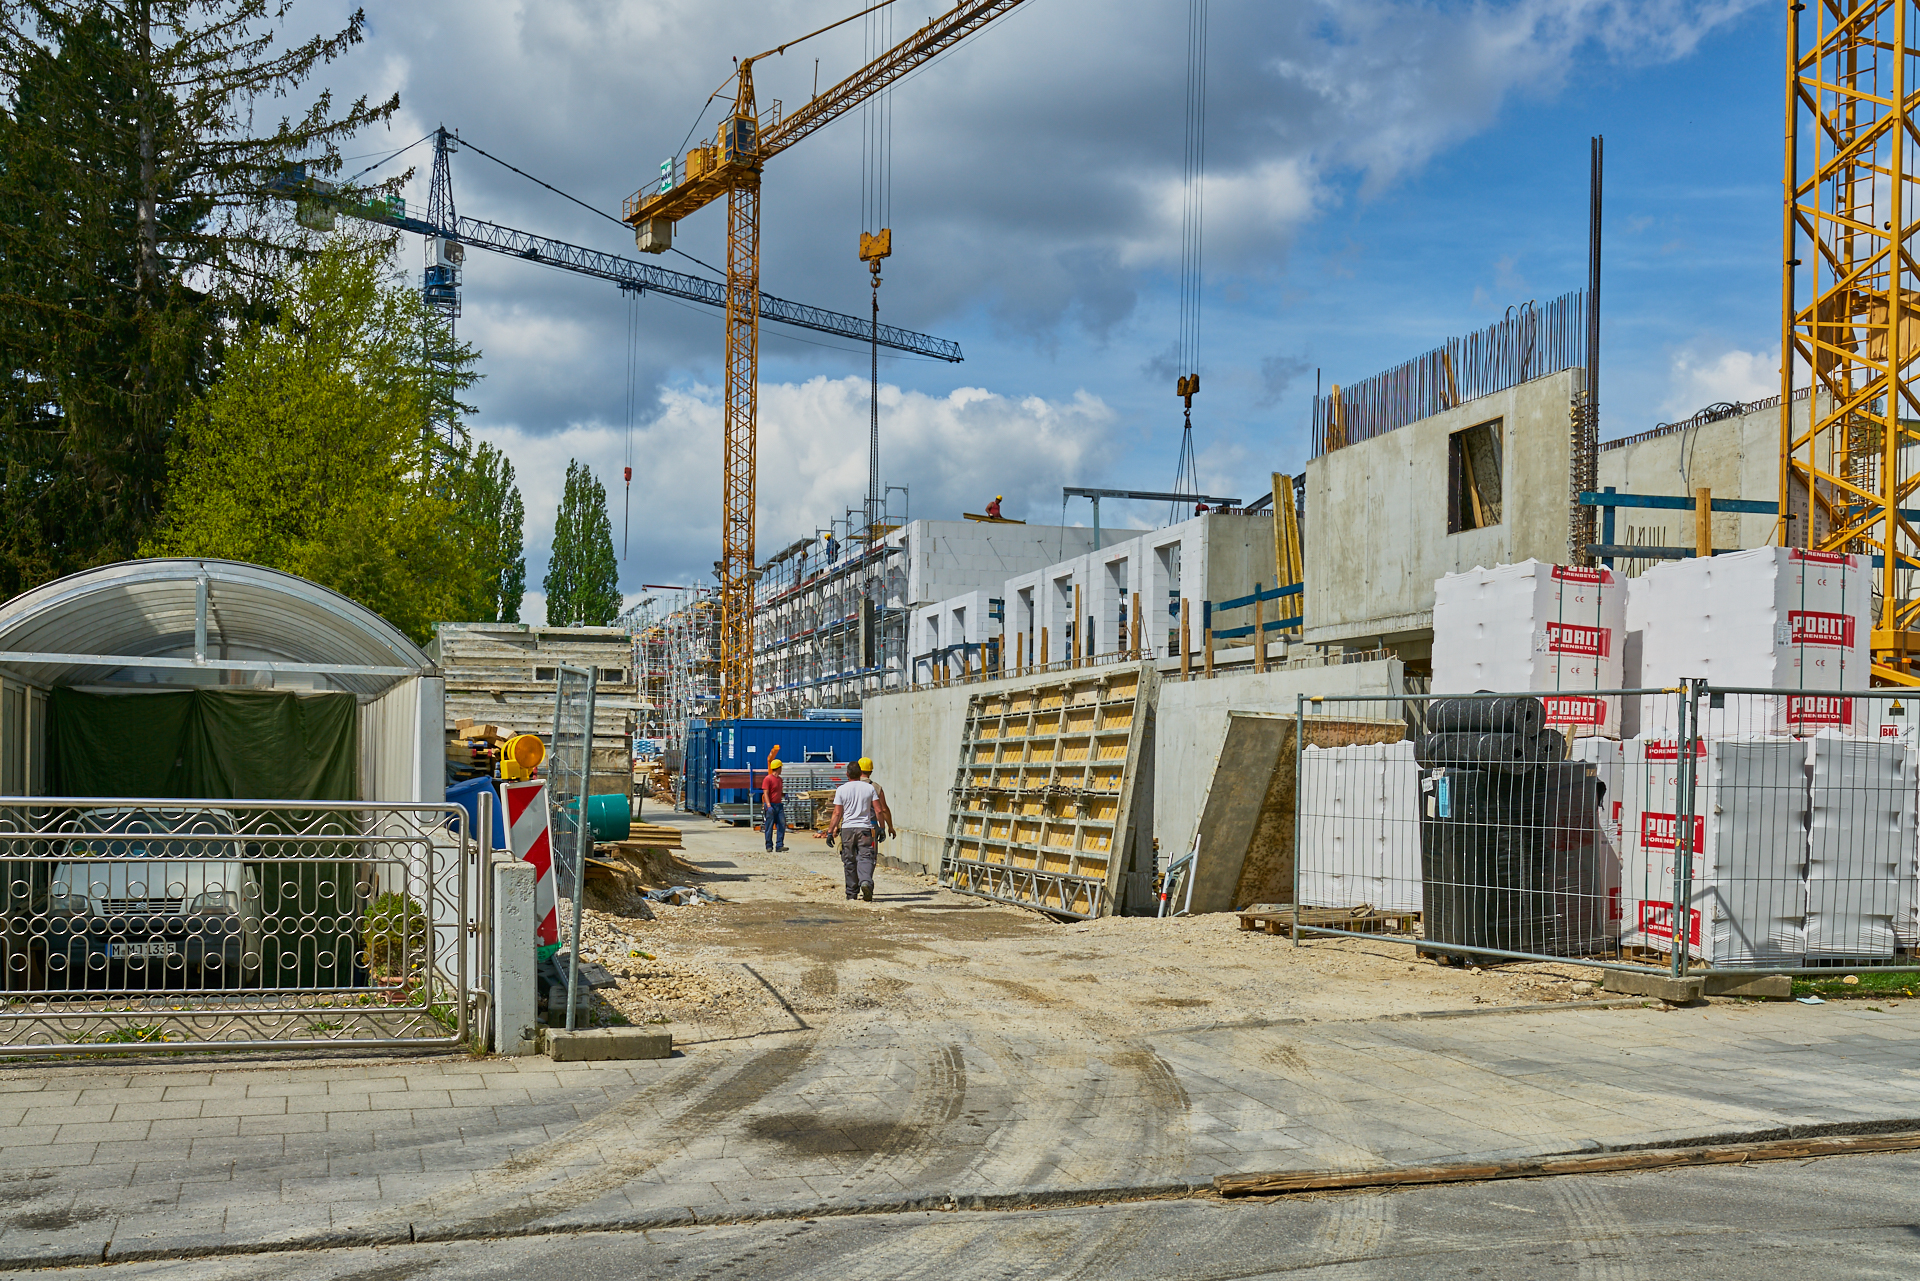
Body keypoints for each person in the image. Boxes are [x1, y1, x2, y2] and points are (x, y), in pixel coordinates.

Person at [825, 759, 893, 902]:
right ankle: (865, 881)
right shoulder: (870, 788)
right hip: (865, 829)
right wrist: (881, 828)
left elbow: (837, 813)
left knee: (849, 860)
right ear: (859, 773)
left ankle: (851, 894)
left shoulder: (841, 789)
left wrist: (830, 832)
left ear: (847, 774)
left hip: (847, 830)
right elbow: (879, 810)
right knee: (866, 857)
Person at [761, 759, 787, 853]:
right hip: (771, 806)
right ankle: (769, 845)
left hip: (779, 806)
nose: (781, 770)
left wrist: (784, 795)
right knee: (769, 826)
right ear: (778, 768)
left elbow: (777, 792)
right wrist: (768, 805)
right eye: (781, 768)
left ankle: (779, 845)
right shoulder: (768, 779)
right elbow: (766, 794)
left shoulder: (780, 780)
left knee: (781, 825)